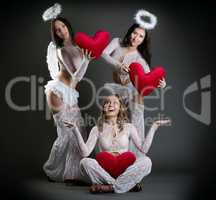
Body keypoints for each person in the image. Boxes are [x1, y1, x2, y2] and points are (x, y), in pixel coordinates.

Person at [64, 94, 170, 193]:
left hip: (125, 170)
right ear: (104, 108)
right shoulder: (97, 129)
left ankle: (110, 187)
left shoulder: (129, 127)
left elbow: (144, 149)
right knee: (85, 162)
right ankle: (125, 185)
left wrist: (154, 127)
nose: (111, 105)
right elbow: (85, 153)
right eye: (107, 102)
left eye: (115, 102)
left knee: (147, 161)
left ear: (120, 108)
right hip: (104, 172)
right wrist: (75, 130)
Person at [102, 10, 166, 157]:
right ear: (130, 32)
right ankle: (117, 160)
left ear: (144, 40)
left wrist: (161, 83)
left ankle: (136, 160)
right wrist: (118, 65)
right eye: (134, 33)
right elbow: (104, 54)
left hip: (133, 93)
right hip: (118, 90)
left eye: (141, 36)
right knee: (118, 126)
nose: (136, 37)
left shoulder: (140, 59)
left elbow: (150, 77)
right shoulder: (117, 43)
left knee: (135, 125)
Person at [43, 11, 94, 183]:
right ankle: (51, 170)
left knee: (79, 132)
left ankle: (73, 174)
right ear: (55, 34)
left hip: (71, 93)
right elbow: (75, 77)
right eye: (57, 30)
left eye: (63, 26)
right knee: (66, 134)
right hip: (58, 91)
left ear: (68, 26)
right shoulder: (61, 50)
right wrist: (86, 61)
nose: (61, 31)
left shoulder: (79, 46)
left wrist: (88, 55)